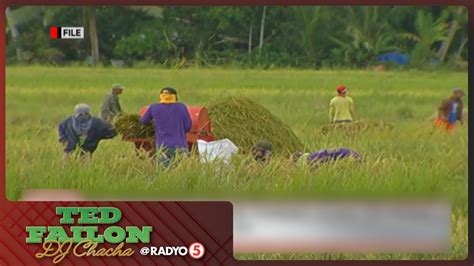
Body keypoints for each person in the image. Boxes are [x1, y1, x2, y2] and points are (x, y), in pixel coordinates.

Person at [140, 87, 192, 168]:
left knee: (165, 172)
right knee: (182, 172)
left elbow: (143, 121)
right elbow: (188, 126)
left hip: (163, 147)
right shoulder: (182, 107)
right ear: (175, 97)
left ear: (161, 96)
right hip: (180, 145)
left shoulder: (153, 107)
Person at [292, 148, 362, 168]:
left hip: (350, 157)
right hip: (352, 154)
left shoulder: (315, 158)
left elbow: (326, 161)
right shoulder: (317, 154)